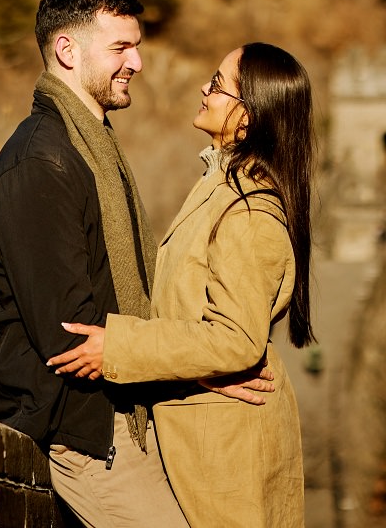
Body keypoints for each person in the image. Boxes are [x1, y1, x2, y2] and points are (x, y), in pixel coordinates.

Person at [48, 42, 316, 528]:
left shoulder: (250, 211)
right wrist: (192, 370)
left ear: (248, 117)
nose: (203, 89)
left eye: (217, 85)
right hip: (204, 432)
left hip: (228, 448)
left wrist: (118, 346)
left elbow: (234, 339)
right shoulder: (219, 187)